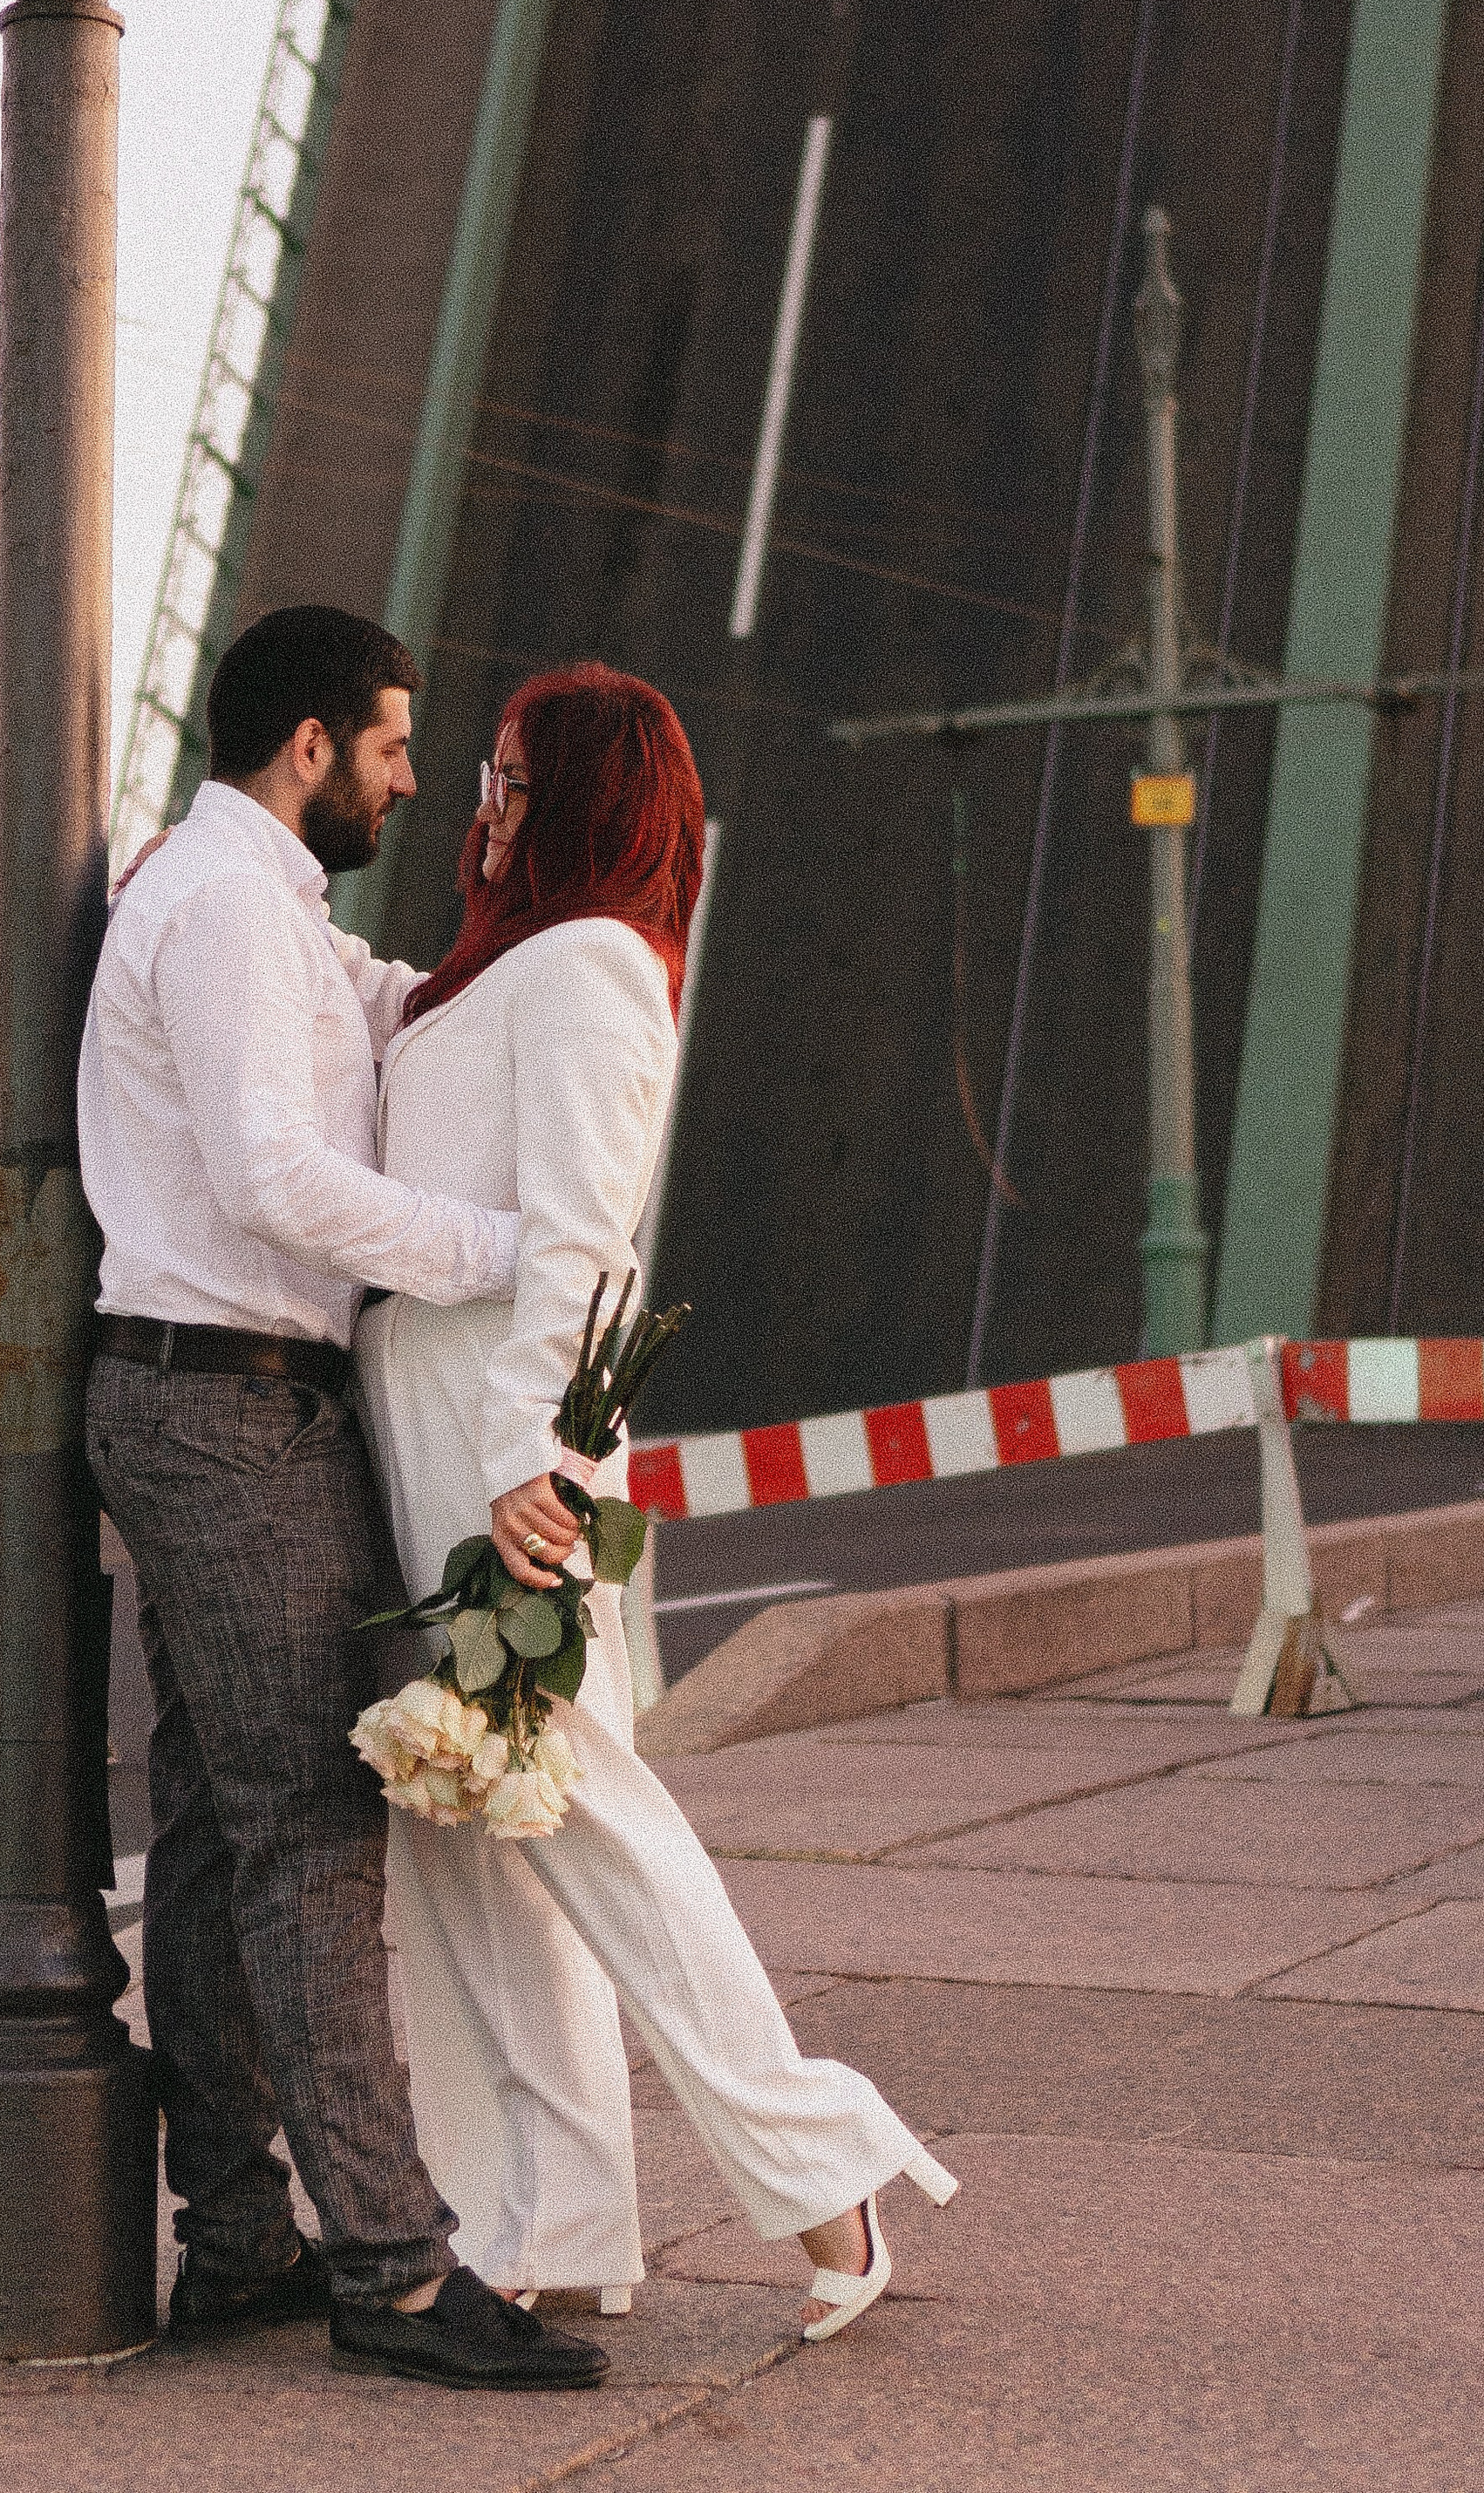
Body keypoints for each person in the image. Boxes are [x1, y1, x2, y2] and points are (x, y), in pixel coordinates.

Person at [355, 662, 956, 2345]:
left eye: (516, 777)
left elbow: (585, 1238)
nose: (483, 801)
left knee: (582, 1806)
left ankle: (815, 2158)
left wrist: (533, 1453)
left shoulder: (596, 967)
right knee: (476, 1830)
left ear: (592, 801)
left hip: (505, 1440)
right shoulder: (491, 972)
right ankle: (545, 2216)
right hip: (433, 1425)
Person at [78, 605, 606, 2394]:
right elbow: (268, 1173)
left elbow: (389, 1020)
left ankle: (236, 2242)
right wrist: (505, 1251)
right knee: (313, 1825)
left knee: (232, 1835)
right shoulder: (222, 904)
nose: (402, 776)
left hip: (217, 1399)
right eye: (389, 748)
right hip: (220, 1405)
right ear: (307, 745)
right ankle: (390, 2269)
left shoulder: (270, 913)